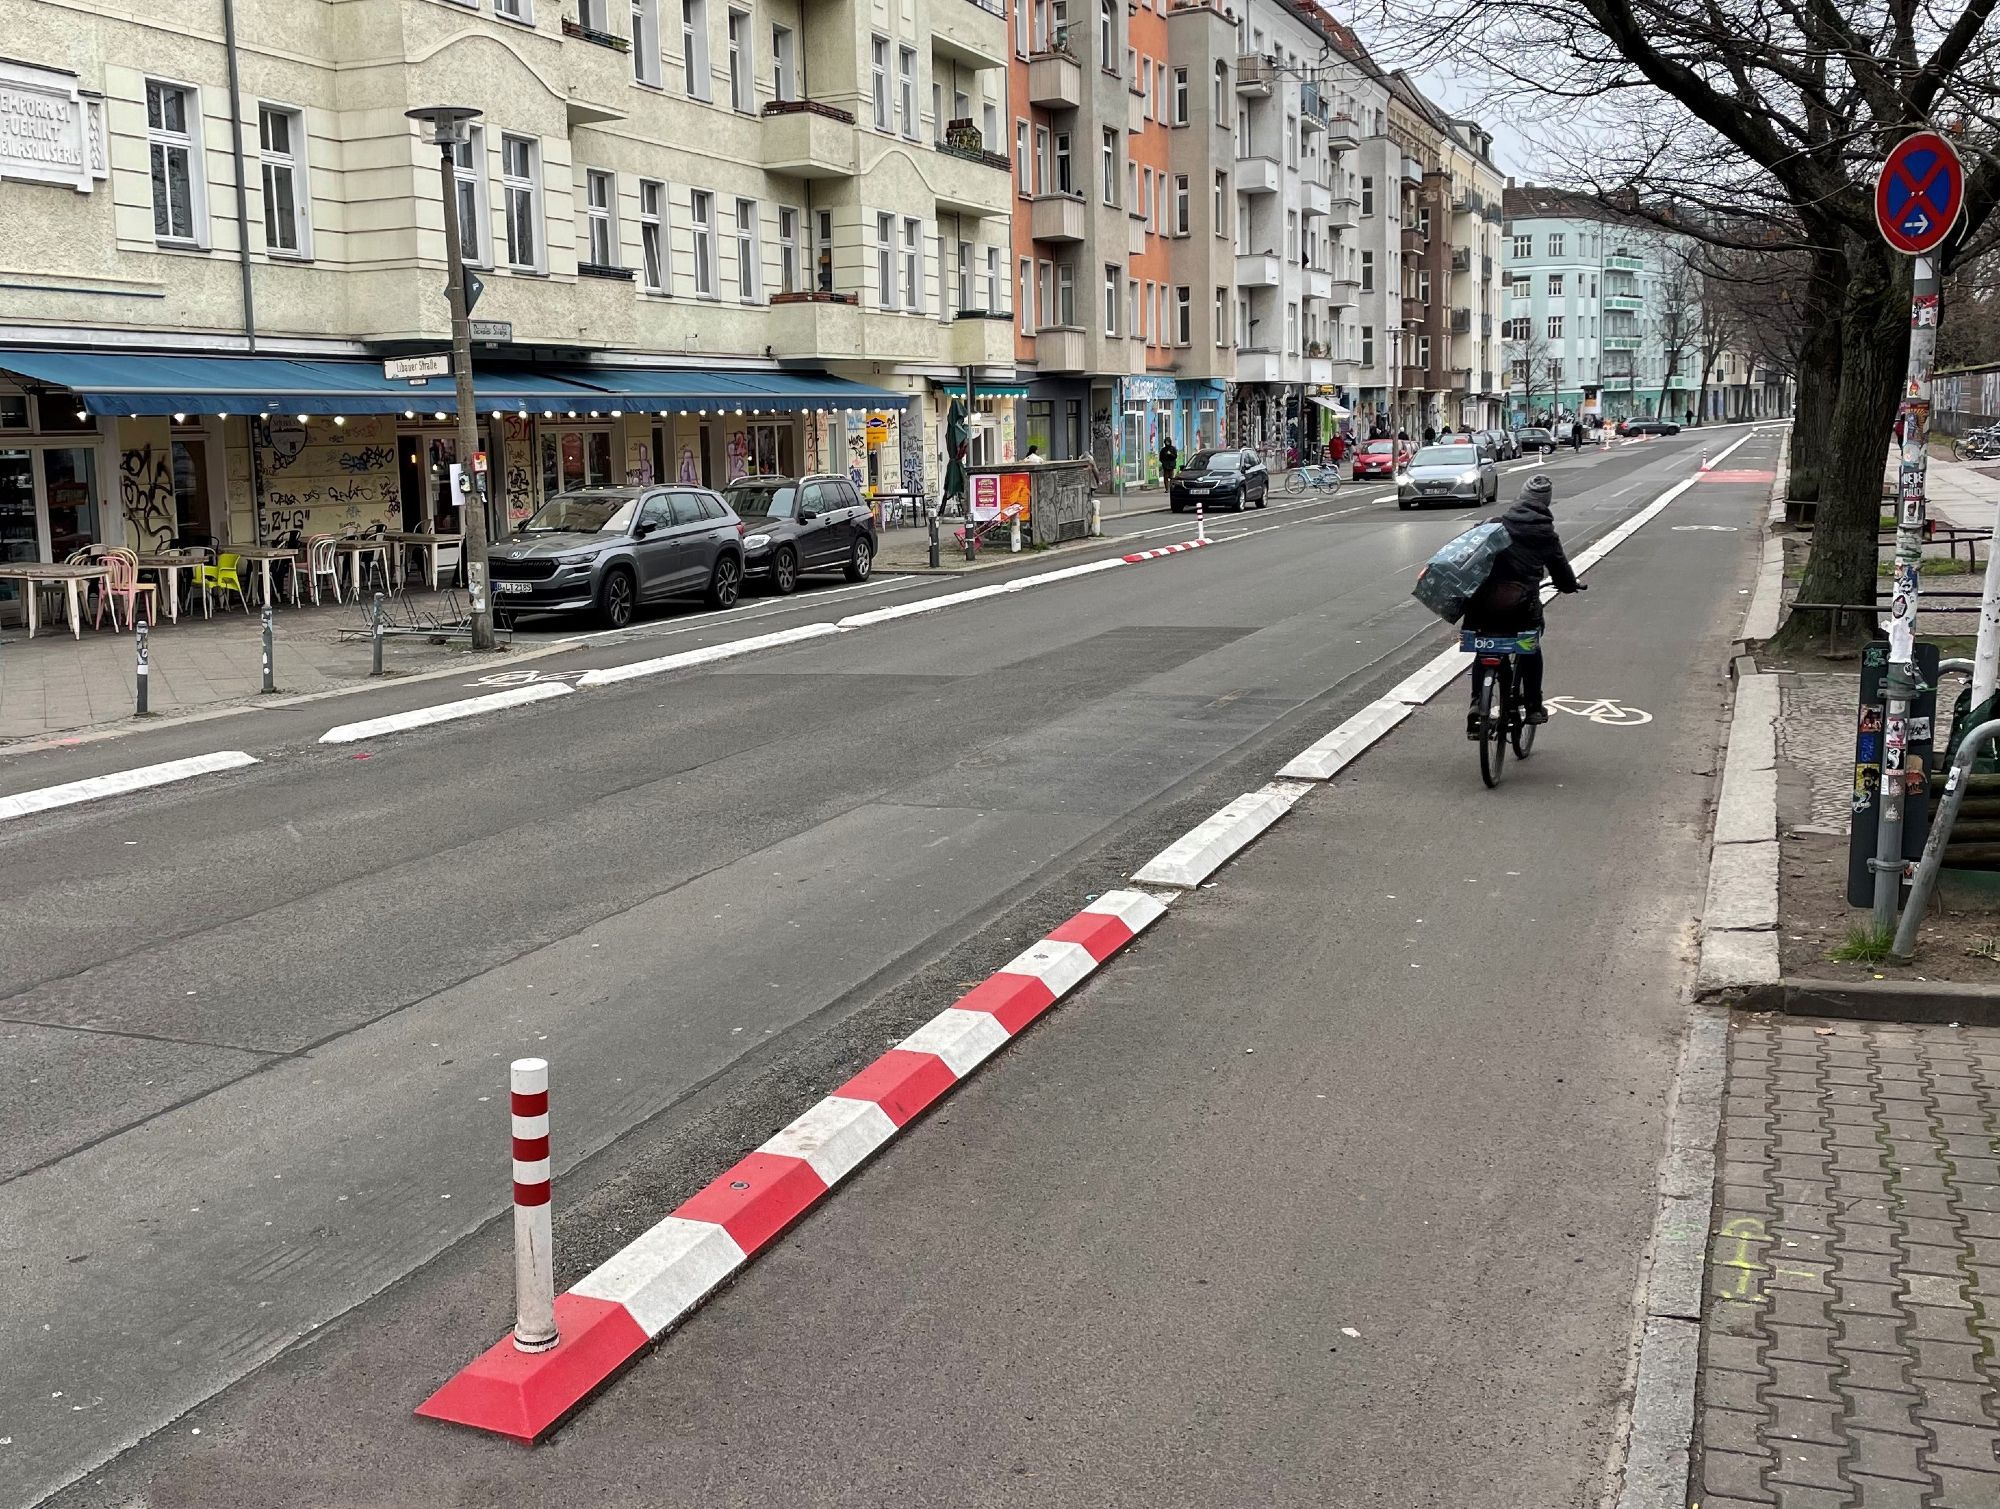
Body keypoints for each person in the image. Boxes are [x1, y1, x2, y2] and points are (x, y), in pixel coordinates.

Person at [1463, 474, 1582, 738]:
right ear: (1546, 503)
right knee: (1531, 645)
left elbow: (1465, 551)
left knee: (1484, 650)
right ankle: (1533, 705)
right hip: (1521, 610)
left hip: (1482, 608)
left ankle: (1475, 703)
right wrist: (1569, 585)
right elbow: (1561, 572)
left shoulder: (1494, 524)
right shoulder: (1546, 535)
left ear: (1521, 498)